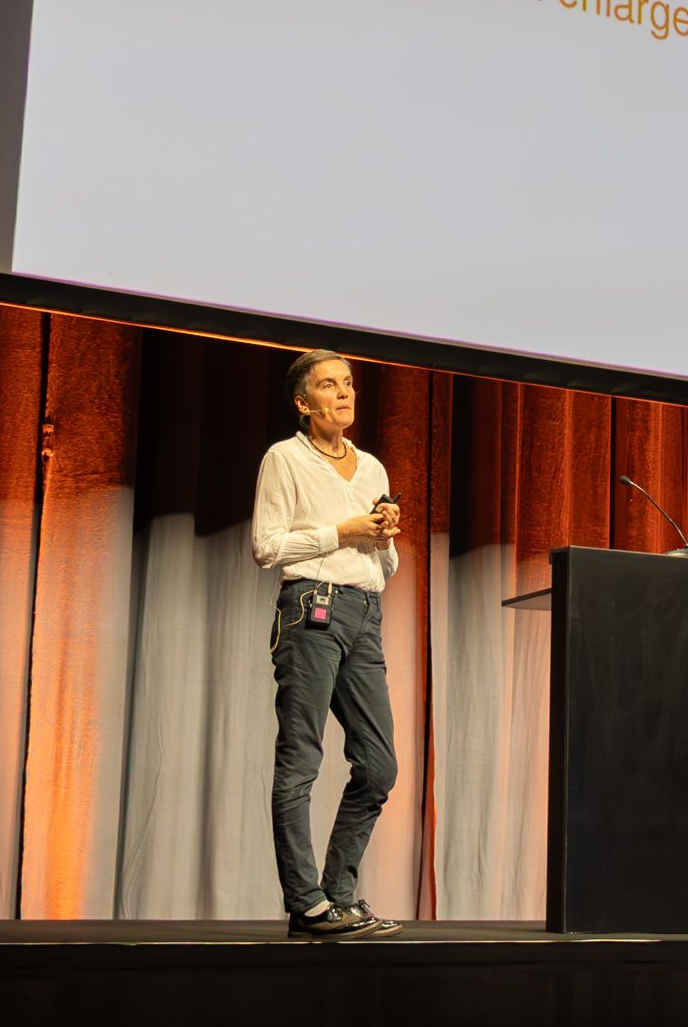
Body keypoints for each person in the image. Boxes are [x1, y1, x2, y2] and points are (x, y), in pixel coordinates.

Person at [249, 348, 404, 939]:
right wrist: (343, 530)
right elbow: (266, 547)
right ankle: (307, 903)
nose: (344, 394)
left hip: (365, 612)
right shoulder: (284, 459)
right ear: (303, 403)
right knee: (302, 760)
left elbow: (382, 564)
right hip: (311, 611)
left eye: (349, 384)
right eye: (329, 386)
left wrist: (384, 535)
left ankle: (340, 894)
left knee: (379, 765)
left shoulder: (372, 468)